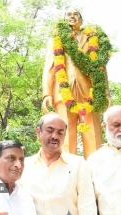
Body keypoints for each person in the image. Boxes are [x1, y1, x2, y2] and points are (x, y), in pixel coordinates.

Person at [41, 8, 111, 158]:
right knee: (65, 136)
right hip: (63, 91)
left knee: (93, 136)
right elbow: (49, 67)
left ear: (81, 19)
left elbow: (100, 68)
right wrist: (46, 93)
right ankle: (67, 172)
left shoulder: (92, 38)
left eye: (75, 14)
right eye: (69, 14)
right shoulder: (56, 40)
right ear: (64, 19)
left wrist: (106, 94)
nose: (72, 17)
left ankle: (94, 174)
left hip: (90, 92)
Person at [18, 113, 97, 215]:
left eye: (60, 133)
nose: (55, 136)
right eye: (50, 131)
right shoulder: (24, 166)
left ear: (64, 136)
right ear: (38, 132)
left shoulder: (78, 165)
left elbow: (87, 205)